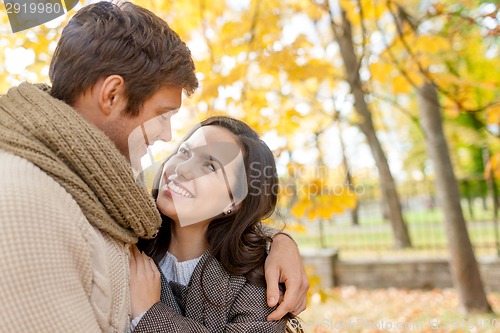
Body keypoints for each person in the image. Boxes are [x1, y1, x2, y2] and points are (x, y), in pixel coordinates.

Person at [0, 2, 308, 333]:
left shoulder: (110, 197)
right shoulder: (26, 204)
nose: (166, 136)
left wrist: (277, 241)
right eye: (162, 115)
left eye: (209, 164)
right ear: (113, 95)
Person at [129, 116, 303, 332]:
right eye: (184, 152)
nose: (182, 168)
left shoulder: (258, 282)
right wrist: (281, 239)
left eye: (210, 166)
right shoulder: (129, 236)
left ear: (234, 201)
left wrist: (150, 314)